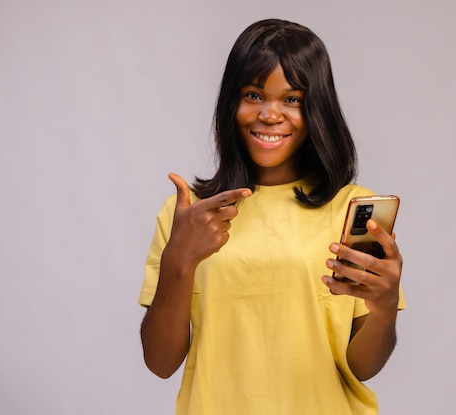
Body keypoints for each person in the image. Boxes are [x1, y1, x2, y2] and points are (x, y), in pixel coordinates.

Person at [138, 18, 406, 415]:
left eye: (292, 99)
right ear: (232, 103)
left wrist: (383, 309)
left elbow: (363, 367)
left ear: (317, 108)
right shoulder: (190, 212)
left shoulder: (353, 210)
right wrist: (179, 260)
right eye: (253, 94)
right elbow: (160, 363)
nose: (270, 114)